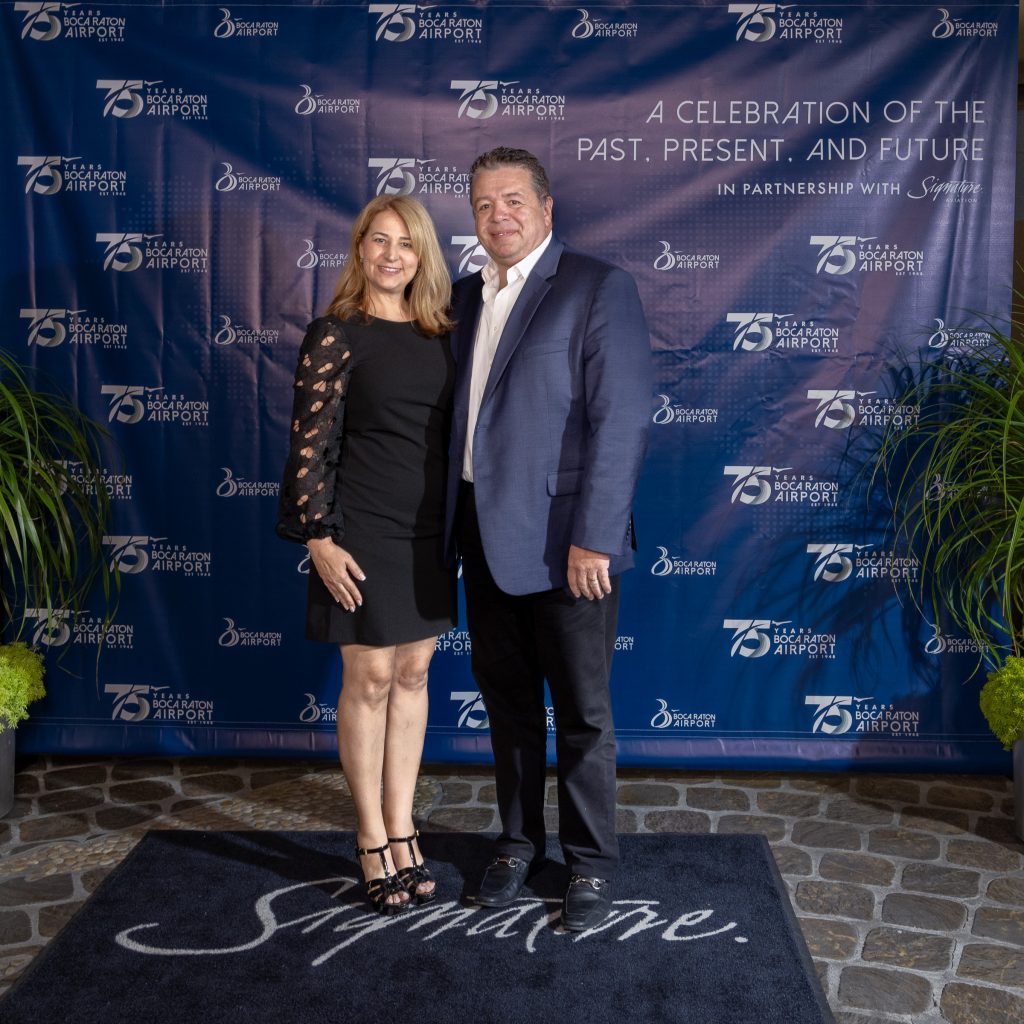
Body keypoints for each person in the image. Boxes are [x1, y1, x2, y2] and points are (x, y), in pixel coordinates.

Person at [444, 147, 652, 931]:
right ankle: (517, 844)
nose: (498, 215)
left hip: (570, 546)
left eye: (513, 200)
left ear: (546, 208)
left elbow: (621, 418)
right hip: (481, 538)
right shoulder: (462, 297)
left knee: (584, 713)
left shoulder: (596, 286)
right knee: (508, 706)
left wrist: (595, 537)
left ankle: (590, 863)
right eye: (484, 203)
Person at [278, 195, 456, 915]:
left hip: (428, 530)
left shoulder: (442, 333)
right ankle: (371, 836)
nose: (391, 255)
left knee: (413, 672)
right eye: (378, 241)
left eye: (405, 243)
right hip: (361, 527)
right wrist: (319, 538)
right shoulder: (336, 333)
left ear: (422, 255)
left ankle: (404, 826)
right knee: (372, 676)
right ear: (359, 249)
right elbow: (309, 444)